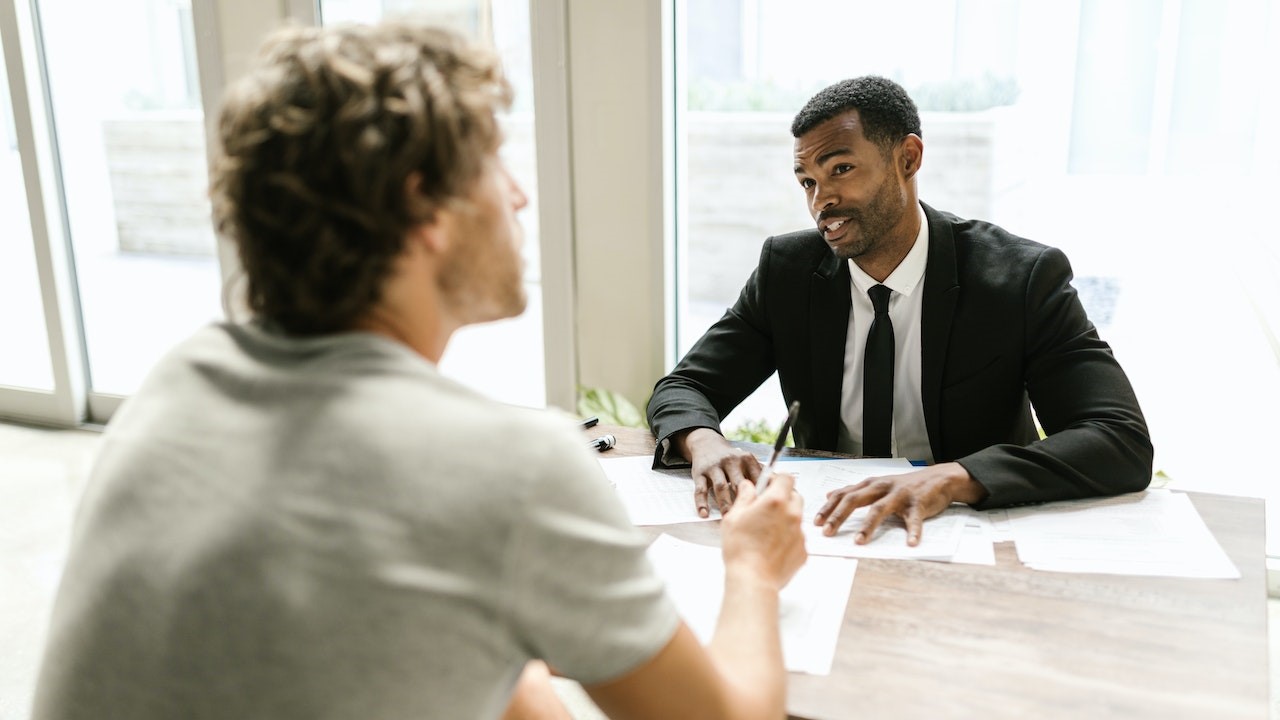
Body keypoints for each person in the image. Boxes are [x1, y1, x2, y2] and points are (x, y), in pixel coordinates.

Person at [31, 21, 807, 720]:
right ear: (426, 211)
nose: (519, 195)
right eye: (494, 163)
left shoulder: (177, 381)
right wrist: (752, 570)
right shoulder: (511, 467)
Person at [647, 75, 1153, 545]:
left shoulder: (1020, 278)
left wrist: (958, 476)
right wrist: (704, 441)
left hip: (966, 533)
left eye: (841, 169)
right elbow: (685, 387)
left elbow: (1117, 438)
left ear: (907, 159)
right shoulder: (789, 272)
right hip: (831, 532)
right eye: (807, 181)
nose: (822, 200)